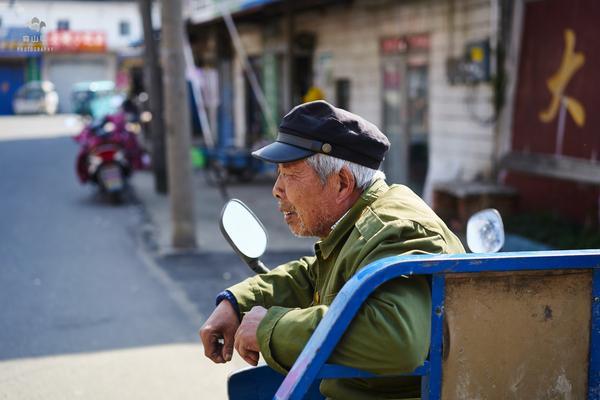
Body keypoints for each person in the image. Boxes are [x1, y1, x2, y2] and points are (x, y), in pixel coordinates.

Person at [200, 100, 465, 399]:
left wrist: (270, 328)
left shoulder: (396, 229)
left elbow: (395, 339)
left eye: (289, 173)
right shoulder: (359, 223)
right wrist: (237, 302)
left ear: (342, 183)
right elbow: (314, 276)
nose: (277, 189)